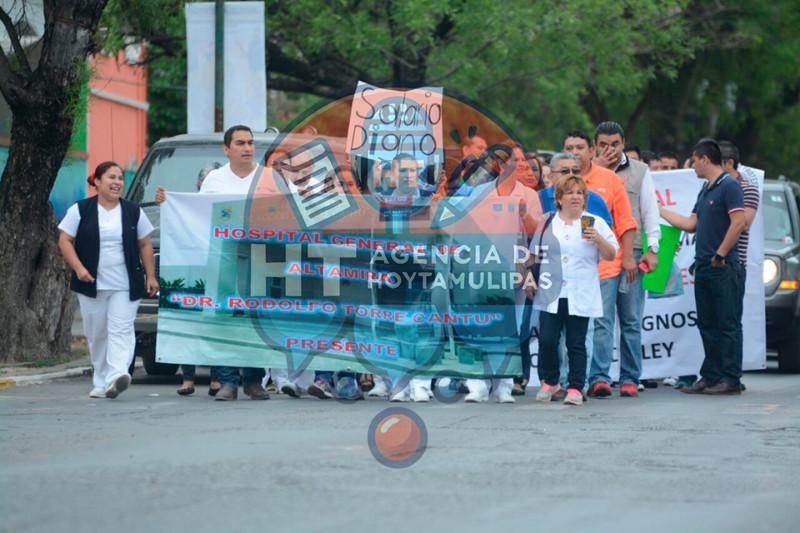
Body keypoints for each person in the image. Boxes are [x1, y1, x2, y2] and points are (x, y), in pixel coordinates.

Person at [156, 125, 270, 401]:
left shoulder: (269, 178)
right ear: (226, 149)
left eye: (251, 143)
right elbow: (197, 216)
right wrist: (169, 202)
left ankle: (254, 381)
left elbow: (291, 208)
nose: (247, 148)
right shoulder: (215, 180)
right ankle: (228, 383)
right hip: (223, 261)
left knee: (255, 321)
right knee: (224, 320)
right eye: (240, 143)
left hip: (261, 261)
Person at [58, 161, 158, 399]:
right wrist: (79, 269)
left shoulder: (133, 211)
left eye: (120, 178)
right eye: (111, 178)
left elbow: (144, 243)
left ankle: (117, 375)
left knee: (121, 329)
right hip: (91, 283)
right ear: (98, 182)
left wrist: (151, 275)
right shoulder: (81, 210)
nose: (117, 183)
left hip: (125, 283)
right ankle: (101, 380)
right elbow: (64, 240)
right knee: (97, 332)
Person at [660, 138, 746, 395]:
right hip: (705, 266)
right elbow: (690, 224)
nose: (693, 165)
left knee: (727, 323)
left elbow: (739, 222)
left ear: (705, 159)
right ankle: (711, 375)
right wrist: (660, 211)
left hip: (722, 266)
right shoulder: (706, 189)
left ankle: (731, 377)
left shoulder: (729, 186)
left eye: (695, 160)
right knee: (707, 323)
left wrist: (720, 254)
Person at [562, 130, 638, 395]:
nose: (575, 152)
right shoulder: (559, 181)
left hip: (604, 265)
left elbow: (627, 222)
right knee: (566, 326)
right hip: (566, 269)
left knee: (601, 322)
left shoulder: (609, 180)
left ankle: (599, 378)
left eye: (580, 147)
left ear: (591, 151)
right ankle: (568, 380)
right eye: (569, 147)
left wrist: (628, 257)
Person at [590, 122, 661, 398]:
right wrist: (602, 171)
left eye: (614, 144)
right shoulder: (589, 173)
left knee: (630, 318)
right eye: (604, 145)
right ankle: (599, 377)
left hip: (632, 252)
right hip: (602, 251)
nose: (609, 149)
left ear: (623, 143)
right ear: (596, 145)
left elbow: (650, 213)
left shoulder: (640, 171)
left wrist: (652, 248)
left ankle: (630, 377)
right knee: (602, 317)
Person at [534, 176, 618, 405]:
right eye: (570, 193)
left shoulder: (594, 222)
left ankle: (575, 387)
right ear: (559, 199)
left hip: (580, 290)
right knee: (548, 339)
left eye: (580, 193)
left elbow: (611, 254)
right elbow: (532, 254)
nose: (575, 197)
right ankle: (551, 381)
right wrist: (528, 280)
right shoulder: (547, 222)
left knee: (576, 342)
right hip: (551, 291)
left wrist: (598, 239)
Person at [177, 163, 223, 396]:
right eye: (206, 181)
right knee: (190, 324)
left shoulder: (227, 205)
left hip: (218, 271)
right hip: (193, 273)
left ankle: (216, 379)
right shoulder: (186, 206)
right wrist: (166, 200)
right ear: (198, 184)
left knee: (214, 325)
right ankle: (187, 379)